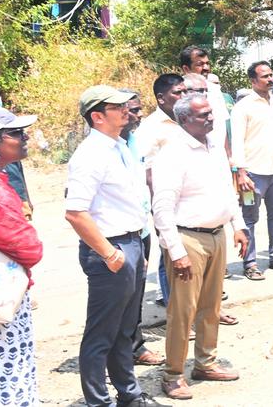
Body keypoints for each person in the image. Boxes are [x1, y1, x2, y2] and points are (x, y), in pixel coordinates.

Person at [152, 94, 249, 399]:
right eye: (203, 115)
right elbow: (162, 208)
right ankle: (173, 373)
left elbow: (227, 191)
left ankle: (205, 362)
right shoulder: (173, 153)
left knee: (211, 306)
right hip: (187, 239)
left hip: (217, 235)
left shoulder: (214, 146)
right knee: (183, 311)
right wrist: (176, 251)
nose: (211, 118)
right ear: (183, 120)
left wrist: (239, 225)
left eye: (210, 113)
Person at [64, 85, 152, 407]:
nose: (126, 110)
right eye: (117, 107)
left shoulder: (118, 147)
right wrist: (110, 253)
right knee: (101, 335)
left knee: (124, 331)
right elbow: (75, 213)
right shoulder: (91, 154)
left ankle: (130, 397)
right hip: (110, 249)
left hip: (129, 242)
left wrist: (136, 248)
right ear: (97, 117)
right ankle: (98, 402)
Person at [0, 107, 44, 407]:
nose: (24, 137)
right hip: (2, 302)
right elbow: (28, 246)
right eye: (16, 133)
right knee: (10, 374)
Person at [231, 61, 273, 279]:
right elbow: (236, 140)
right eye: (265, 76)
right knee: (249, 217)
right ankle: (249, 263)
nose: (270, 79)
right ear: (253, 81)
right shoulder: (243, 107)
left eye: (271, 75)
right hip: (252, 174)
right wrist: (240, 172)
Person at [120, 91, 164, 368]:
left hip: (140, 229)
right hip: (117, 236)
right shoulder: (101, 148)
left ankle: (134, 345)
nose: (137, 115)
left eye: (138, 110)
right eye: (133, 110)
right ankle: (119, 354)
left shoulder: (135, 141)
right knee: (119, 298)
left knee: (135, 294)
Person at [136, 73, 188, 310]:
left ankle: (199, 309)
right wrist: (159, 210)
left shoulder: (189, 119)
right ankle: (174, 310)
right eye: (178, 92)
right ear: (161, 98)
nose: (184, 96)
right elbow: (147, 172)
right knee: (170, 251)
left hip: (191, 199)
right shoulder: (150, 127)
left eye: (185, 91)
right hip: (166, 200)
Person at [180, 45, 229, 155]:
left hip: (218, 153)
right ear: (186, 69)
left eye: (207, 63)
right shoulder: (179, 92)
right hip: (192, 153)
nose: (206, 68)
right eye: (200, 64)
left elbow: (222, 124)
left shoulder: (216, 90)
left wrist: (229, 156)